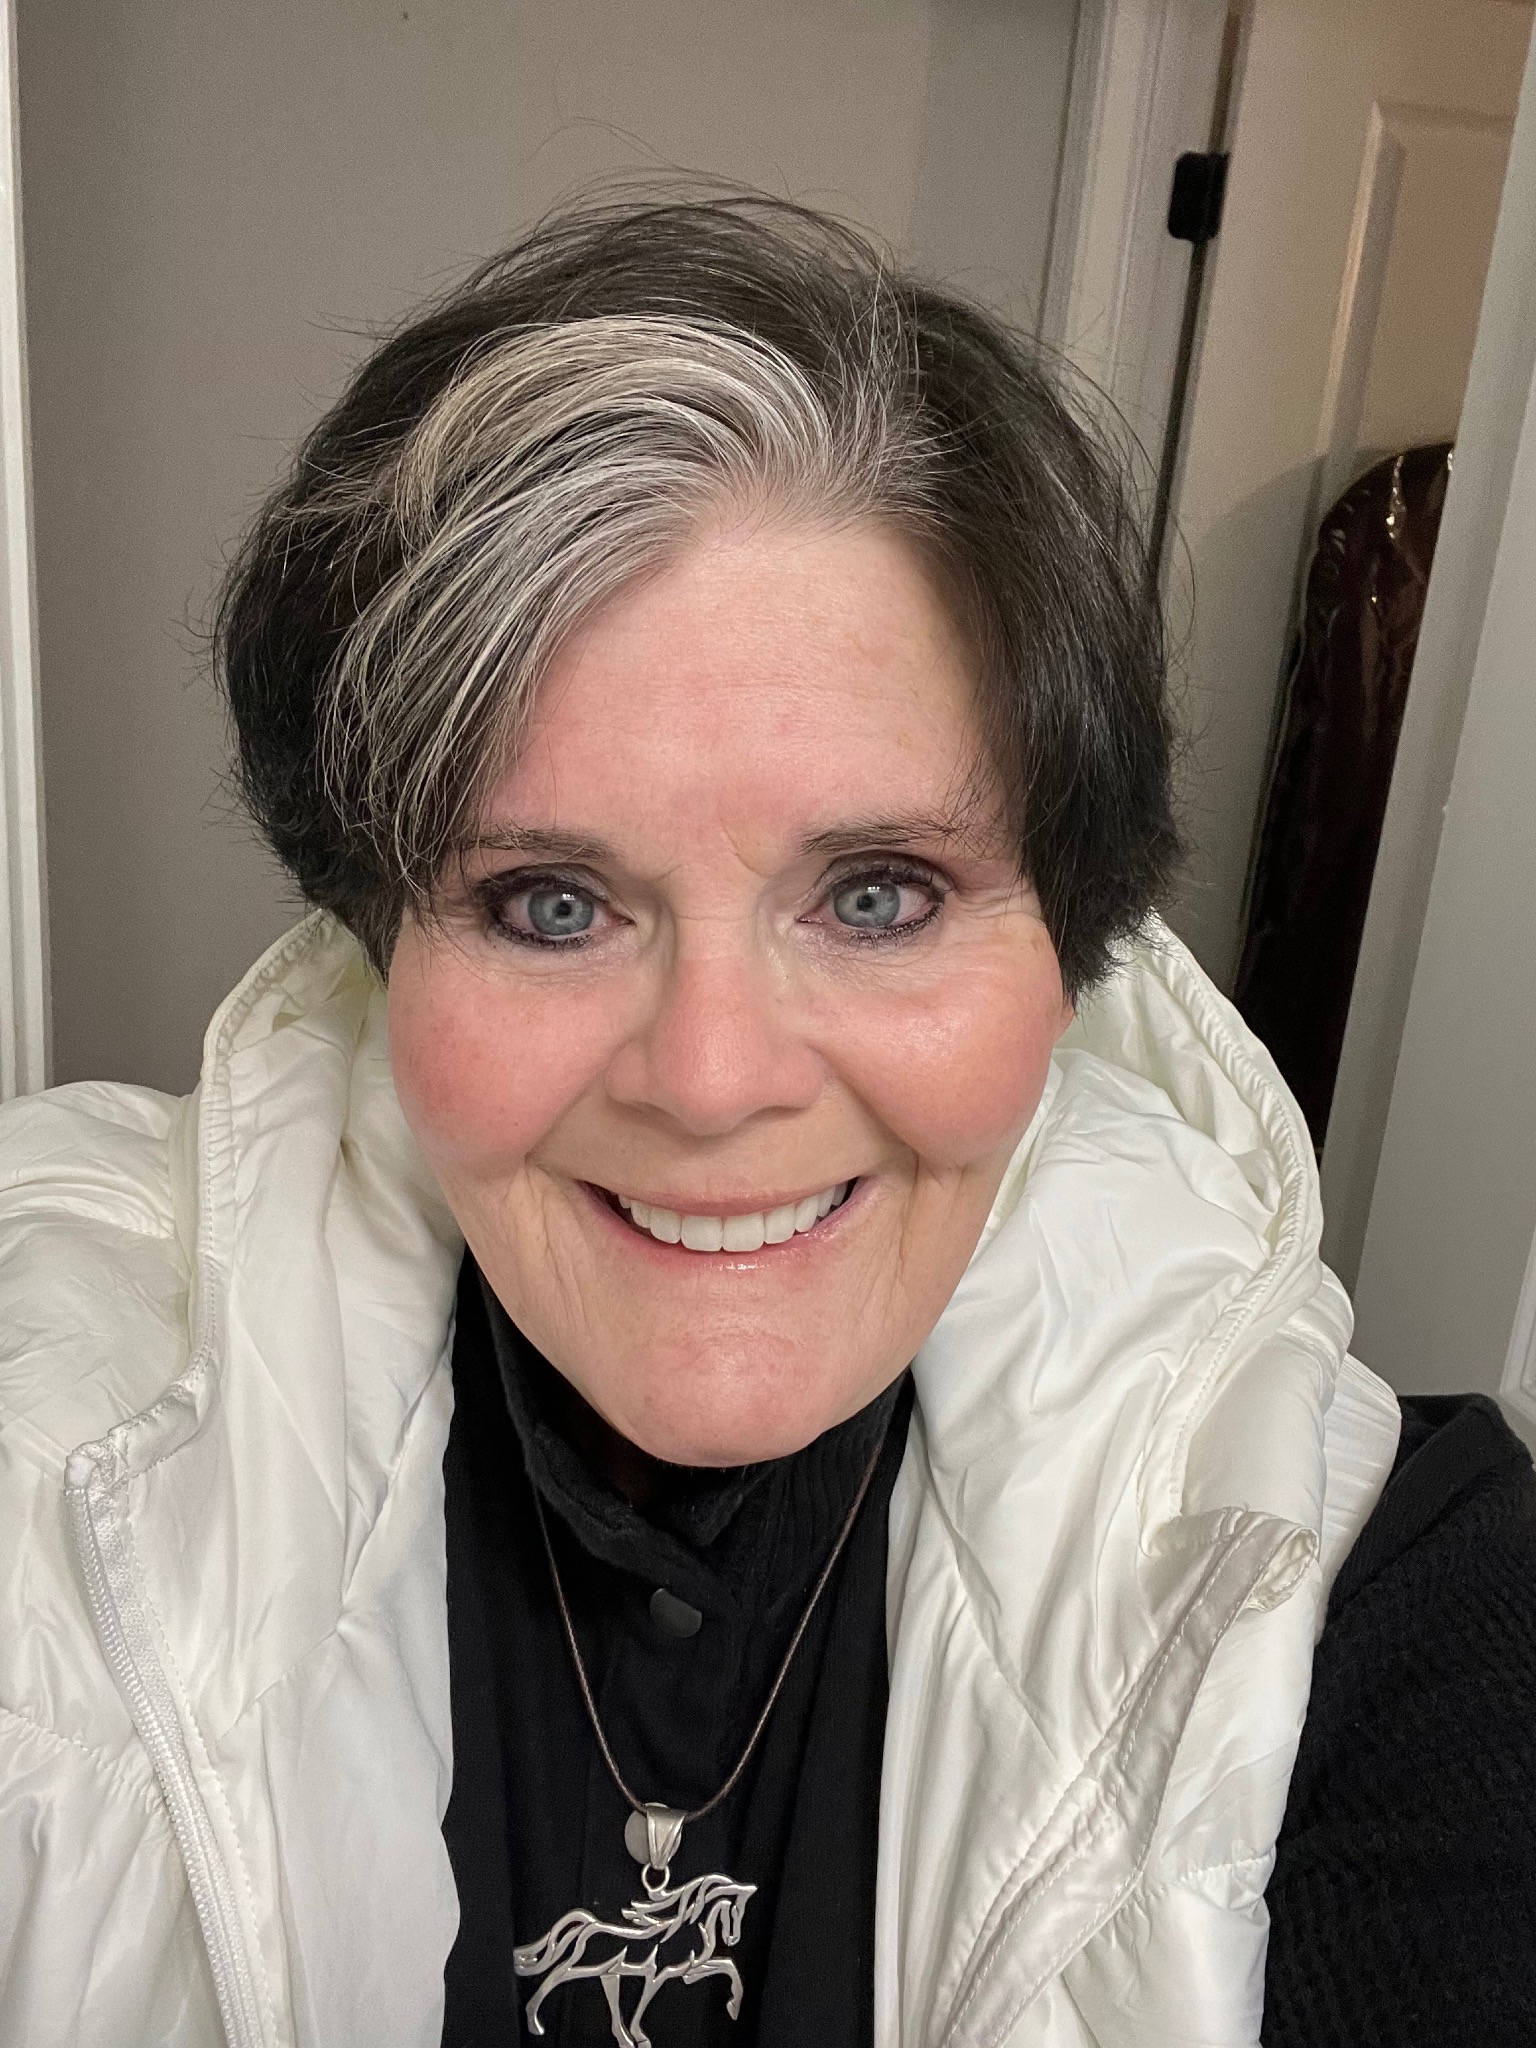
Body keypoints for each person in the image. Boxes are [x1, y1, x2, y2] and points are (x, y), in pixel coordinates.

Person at [1, 195, 1532, 2048]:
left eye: (878, 894)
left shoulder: (1379, 1586)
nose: (715, 1078)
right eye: (548, 903)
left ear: (1078, 949)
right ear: (375, 943)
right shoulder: (46, 1482)